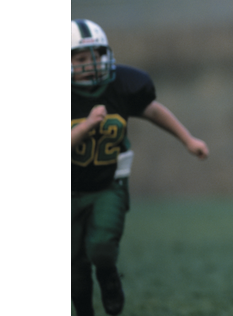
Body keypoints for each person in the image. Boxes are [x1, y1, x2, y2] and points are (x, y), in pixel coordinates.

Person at [71, 19, 209, 316]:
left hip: (109, 183)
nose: (92, 65)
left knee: (101, 248)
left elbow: (152, 110)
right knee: (74, 267)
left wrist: (187, 139)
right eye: (82, 58)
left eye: (96, 56)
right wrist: (85, 127)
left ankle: (108, 276)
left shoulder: (121, 85)